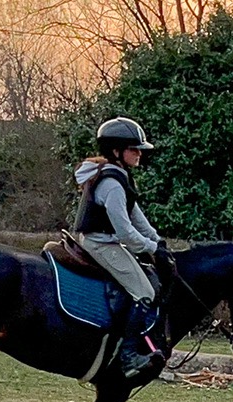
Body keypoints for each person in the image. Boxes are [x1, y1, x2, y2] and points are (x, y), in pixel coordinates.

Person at [72, 117, 176, 377]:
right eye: (134, 149)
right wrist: (152, 249)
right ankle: (128, 356)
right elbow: (125, 232)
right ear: (117, 151)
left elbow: (137, 218)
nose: (139, 154)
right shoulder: (112, 184)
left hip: (104, 241)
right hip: (101, 244)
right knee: (144, 292)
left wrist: (158, 242)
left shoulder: (120, 177)